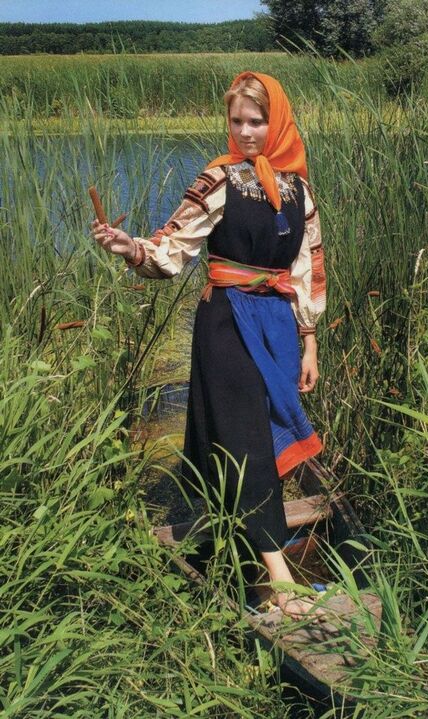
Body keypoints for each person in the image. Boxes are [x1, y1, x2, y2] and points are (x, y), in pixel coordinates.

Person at [92, 71, 326, 620]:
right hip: (226, 323)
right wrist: (131, 246)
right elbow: (172, 247)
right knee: (246, 437)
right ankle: (282, 581)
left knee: (266, 433)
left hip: (277, 327)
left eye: (256, 121)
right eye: (236, 121)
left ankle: (240, 543)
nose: (245, 132)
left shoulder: (300, 190)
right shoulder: (219, 179)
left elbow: (307, 269)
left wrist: (309, 341)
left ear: (277, 122)